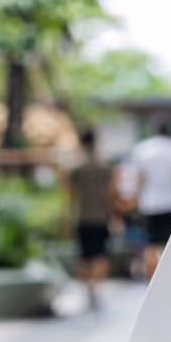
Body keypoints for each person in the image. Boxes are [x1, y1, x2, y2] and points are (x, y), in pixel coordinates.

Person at [130, 118, 171, 281]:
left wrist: (136, 198)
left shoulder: (142, 149)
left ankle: (151, 282)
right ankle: (169, 280)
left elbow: (140, 178)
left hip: (149, 204)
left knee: (151, 246)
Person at [67, 128, 115, 310]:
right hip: (101, 216)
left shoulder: (76, 166)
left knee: (84, 255)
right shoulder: (104, 165)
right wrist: (113, 215)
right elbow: (111, 193)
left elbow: (71, 195)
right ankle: (96, 287)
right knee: (100, 254)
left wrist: (67, 218)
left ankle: (88, 289)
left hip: (83, 216)